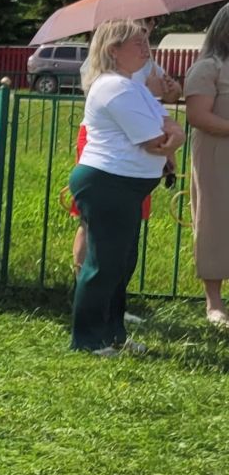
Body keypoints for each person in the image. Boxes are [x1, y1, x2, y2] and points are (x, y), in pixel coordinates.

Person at [69, 20, 181, 354]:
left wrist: (173, 136)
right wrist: (174, 139)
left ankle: (113, 334)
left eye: (145, 39)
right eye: (136, 42)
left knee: (120, 263)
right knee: (103, 265)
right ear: (112, 50)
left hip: (125, 187)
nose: (145, 46)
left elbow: (168, 123)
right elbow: (154, 140)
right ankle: (87, 340)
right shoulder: (114, 87)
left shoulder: (133, 86)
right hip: (109, 183)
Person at [186, 5, 229, 325]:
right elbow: (199, 117)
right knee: (215, 223)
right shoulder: (208, 67)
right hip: (218, 155)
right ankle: (214, 303)